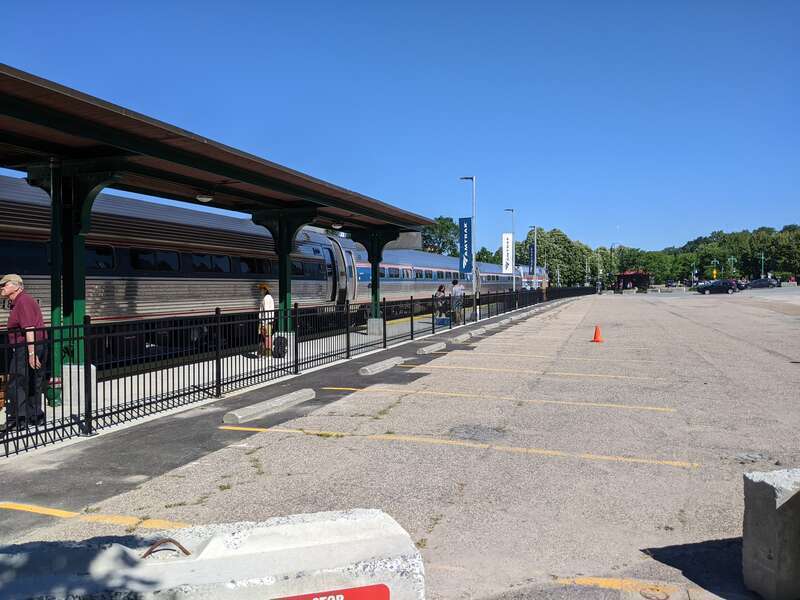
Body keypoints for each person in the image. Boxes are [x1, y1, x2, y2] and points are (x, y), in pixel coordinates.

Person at [1, 274, 47, 431]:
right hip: (33, 345)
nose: (2, 287)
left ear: (16, 286)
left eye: (5, 284)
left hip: (27, 346)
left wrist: (31, 353)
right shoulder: (20, 301)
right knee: (33, 380)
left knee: (17, 381)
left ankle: (19, 419)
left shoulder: (23, 301)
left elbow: (29, 328)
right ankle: (35, 416)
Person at [258, 283, 275, 357]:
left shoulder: (266, 298)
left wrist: (263, 324)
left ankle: (267, 355)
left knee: (266, 337)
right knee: (266, 337)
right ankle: (264, 353)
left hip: (265, 321)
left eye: (261, 289)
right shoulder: (269, 297)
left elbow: (267, 311)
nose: (260, 291)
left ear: (265, 290)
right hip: (268, 321)